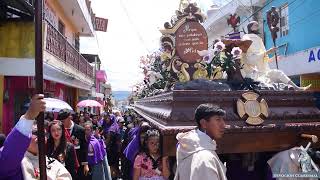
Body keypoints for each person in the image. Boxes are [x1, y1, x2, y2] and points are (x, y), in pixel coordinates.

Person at [0, 94, 72, 179]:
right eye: (36, 133)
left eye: (44, 135)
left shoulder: (53, 163)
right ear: (27, 135)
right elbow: (9, 155)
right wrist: (29, 116)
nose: (41, 138)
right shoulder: (18, 162)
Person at [241, 21, 311, 90]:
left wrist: (273, 58)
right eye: (255, 26)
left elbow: (264, 58)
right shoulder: (246, 38)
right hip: (255, 74)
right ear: (250, 28)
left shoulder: (259, 39)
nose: (258, 27)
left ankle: (297, 88)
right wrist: (267, 52)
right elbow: (251, 59)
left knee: (279, 73)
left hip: (264, 71)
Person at [174, 103, 227, 180]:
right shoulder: (205, 158)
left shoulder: (190, 143)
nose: (223, 125)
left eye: (223, 120)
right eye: (218, 120)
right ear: (204, 123)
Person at [58, 109, 90, 179]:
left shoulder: (80, 130)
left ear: (70, 117)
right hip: (65, 163)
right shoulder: (59, 130)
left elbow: (84, 148)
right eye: (61, 121)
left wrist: (85, 164)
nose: (62, 123)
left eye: (63, 121)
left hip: (78, 163)